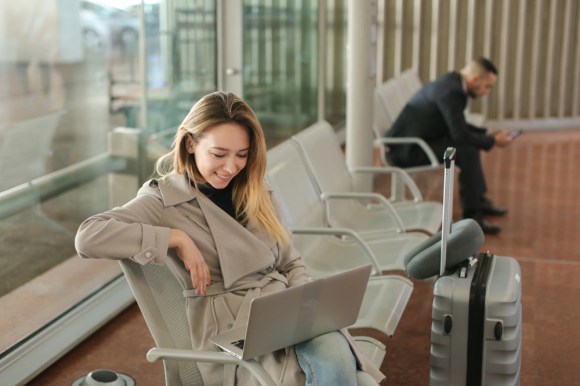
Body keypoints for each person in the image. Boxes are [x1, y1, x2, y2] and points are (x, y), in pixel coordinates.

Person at [75, 91, 384, 386]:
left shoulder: (257, 190)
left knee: (351, 371)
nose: (231, 167)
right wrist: (174, 236)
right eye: (219, 154)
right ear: (190, 144)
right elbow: (88, 236)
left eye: (242, 155)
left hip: (282, 311)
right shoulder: (163, 199)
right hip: (232, 331)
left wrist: (302, 307)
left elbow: (290, 261)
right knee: (349, 374)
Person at [385, 57, 513, 234]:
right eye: (487, 86)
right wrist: (492, 141)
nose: (487, 92)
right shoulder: (451, 92)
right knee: (467, 152)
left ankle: (478, 201)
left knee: (470, 148)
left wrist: (486, 133)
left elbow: (456, 125)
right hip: (407, 149)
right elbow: (459, 134)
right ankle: (472, 216)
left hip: (425, 139)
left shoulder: (453, 84)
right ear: (475, 79)